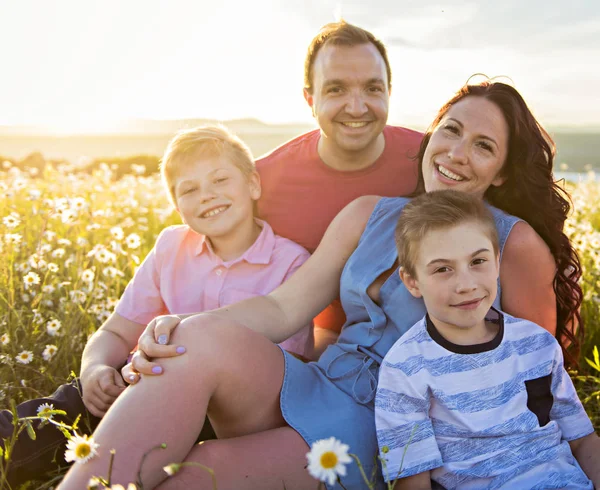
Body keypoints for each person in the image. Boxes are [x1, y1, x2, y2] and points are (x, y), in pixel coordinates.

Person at [58, 80, 584, 490]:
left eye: (483, 145)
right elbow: (283, 307)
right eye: (450, 130)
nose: (456, 152)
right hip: (323, 382)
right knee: (196, 337)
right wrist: (181, 325)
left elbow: (528, 377)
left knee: (201, 473)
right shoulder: (368, 215)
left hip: (395, 426)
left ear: (500, 172)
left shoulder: (513, 244)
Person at [0, 125, 312, 486]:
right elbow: (116, 329)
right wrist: (95, 369)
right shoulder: (170, 247)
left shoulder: (290, 263)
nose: (207, 196)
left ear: (254, 185)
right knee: (54, 415)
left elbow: (279, 379)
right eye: (189, 190)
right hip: (136, 382)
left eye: (220, 180)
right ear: (177, 206)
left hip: (215, 411)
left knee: (168, 460)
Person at [375, 190, 599, 489]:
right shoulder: (404, 369)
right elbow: (411, 481)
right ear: (412, 281)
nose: (466, 285)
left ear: (496, 262)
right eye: (443, 269)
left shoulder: (537, 344)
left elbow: (583, 441)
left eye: (478, 261)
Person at [255, 20, 423, 353]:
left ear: (389, 92)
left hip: (422, 348)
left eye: (372, 89)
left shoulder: (430, 162)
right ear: (309, 98)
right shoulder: (262, 182)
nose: (357, 107)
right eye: (336, 89)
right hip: (313, 352)